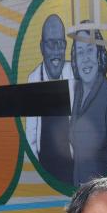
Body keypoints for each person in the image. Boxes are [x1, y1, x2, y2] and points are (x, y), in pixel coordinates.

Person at [70, 28, 107, 185]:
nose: (85, 58)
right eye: (80, 52)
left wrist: (102, 193)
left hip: (98, 196)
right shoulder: (78, 93)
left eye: (90, 50)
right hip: (79, 192)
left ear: (99, 54)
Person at [26, 13, 75, 184]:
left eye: (60, 43)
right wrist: (37, 173)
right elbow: (31, 135)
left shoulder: (75, 74)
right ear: (41, 47)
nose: (56, 50)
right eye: (50, 43)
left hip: (72, 165)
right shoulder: (33, 79)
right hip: (45, 166)